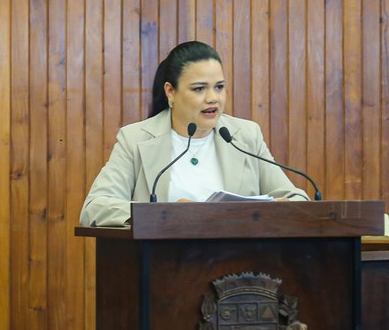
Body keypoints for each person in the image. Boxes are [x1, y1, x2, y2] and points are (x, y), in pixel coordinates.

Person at [79, 41, 310, 227]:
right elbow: (95, 207)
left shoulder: (245, 136)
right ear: (171, 91)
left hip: (240, 265)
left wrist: (278, 209)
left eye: (219, 87)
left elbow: (298, 199)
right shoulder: (136, 139)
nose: (213, 98)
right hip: (165, 261)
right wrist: (166, 214)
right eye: (199, 89)